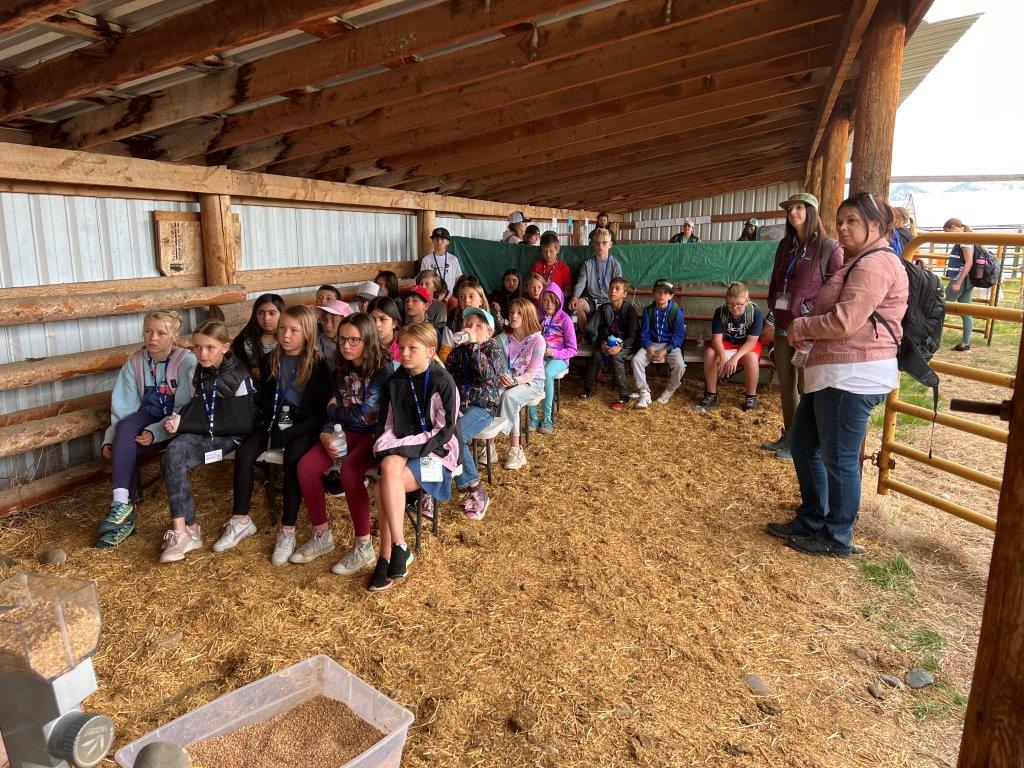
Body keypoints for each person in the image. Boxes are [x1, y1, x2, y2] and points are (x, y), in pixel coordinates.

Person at [767, 192, 909, 558]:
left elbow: (845, 321)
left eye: (852, 222)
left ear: (875, 227)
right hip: (834, 371)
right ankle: (813, 517)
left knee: (839, 456)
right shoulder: (858, 261)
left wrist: (802, 325)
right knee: (803, 442)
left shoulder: (876, 264)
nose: (843, 228)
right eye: (840, 221)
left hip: (853, 373)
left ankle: (837, 535)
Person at [211, 306, 331, 565]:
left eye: (293, 330)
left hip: (304, 427)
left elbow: (320, 414)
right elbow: (266, 401)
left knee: (292, 460)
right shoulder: (270, 360)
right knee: (244, 454)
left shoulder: (319, 366)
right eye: (282, 329)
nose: (286, 335)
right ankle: (240, 520)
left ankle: (287, 531)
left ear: (307, 333)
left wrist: (294, 431)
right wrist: (264, 425)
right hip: (274, 423)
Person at [295, 313, 393, 576]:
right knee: (306, 466)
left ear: (368, 340)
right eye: (342, 340)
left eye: (354, 340)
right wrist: (326, 433)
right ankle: (321, 535)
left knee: (350, 471)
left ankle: (363, 545)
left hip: (374, 436)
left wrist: (336, 410)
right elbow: (335, 410)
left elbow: (368, 414)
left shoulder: (383, 368)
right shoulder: (340, 367)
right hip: (343, 432)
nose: (346, 346)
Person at [95, 311, 197, 548]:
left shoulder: (186, 361)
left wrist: (156, 432)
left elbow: (183, 408)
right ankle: (121, 505)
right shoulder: (136, 362)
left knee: (125, 448)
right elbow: (123, 407)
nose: (153, 337)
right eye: (148, 331)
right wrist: (110, 439)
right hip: (148, 416)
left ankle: (126, 517)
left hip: (174, 424)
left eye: (161, 333)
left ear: (175, 335)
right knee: (125, 429)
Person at [370, 322, 460, 591]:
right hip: (403, 444)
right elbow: (385, 427)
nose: (404, 353)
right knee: (388, 464)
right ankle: (399, 546)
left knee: (381, 487)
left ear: (431, 352)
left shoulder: (442, 381)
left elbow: (444, 432)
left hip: (438, 451)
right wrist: (387, 447)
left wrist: (398, 448)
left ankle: (387, 555)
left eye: (413, 348)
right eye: (402, 347)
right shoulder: (396, 381)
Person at [158, 320, 257, 563]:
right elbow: (197, 407)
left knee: (176, 455)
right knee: (173, 451)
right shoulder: (199, 371)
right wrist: (178, 420)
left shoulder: (240, 378)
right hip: (206, 431)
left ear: (225, 346)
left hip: (230, 436)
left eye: (209, 347)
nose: (202, 353)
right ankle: (185, 529)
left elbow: (241, 423)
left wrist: (188, 423)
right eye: (197, 348)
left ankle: (188, 531)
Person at [762, 192, 844, 459]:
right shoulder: (785, 245)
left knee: (806, 387)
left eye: (799, 208)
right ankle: (790, 436)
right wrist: (773, 307)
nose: (793, 212)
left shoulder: (829, 247)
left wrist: (814, 314)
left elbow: (836, 288)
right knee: (786, 384)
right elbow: (776, 279)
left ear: (812, 212)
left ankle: (807, 443)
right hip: (784, 326)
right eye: (790, 209)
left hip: (810, 330)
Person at [445, 308, 505, 519]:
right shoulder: (459, 350)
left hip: (483, 407)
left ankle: (476, 489)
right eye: (468, 324)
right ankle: (431, 490)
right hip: (458, 406)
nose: (471, 329)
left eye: (478, 326)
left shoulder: (492, 349)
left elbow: (487, 374)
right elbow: (446, 376)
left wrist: (474, 347)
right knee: (438, 431)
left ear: (488, 332)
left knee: (455, 433)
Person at [697, 282, 765, 414]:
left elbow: (752, 342)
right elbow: (716, 339)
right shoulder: (721, 311)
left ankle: (751, 397)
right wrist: (723, 356)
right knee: (710, 354)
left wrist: (734, 358)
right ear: (726, 301)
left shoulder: (755, 312)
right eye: (730, 304)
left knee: (751, 357)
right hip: (727, 341)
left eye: (739, 304)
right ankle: (711, 394)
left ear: (747, 301)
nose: (734, 308)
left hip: (747, 343)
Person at [496, 298, 546, 469]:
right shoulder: (502, 338)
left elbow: (532, 374)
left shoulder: (538, 340)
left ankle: (515, 450)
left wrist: (514, 381)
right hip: (511, 379)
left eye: (519, 313)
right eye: (511, 312)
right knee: (495, 395)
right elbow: (500, 367)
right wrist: (504, 379)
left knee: (510, 397)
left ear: (529, 316)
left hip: (534, 382)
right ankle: (489, 446)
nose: (514, 316)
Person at [581, 277, 638, 410]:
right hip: (608, 344)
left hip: (625, 344)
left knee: (616, 357)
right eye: (611, 288)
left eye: (617, 289)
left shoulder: (629, 310)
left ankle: (624, 396)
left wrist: (620, 347)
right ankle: (587, 389)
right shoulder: (604, 309)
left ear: (624, 293)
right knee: (596, 355)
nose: (613, 291)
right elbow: (598, 329)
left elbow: (633, 336)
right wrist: (602, 344)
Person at [632, 279, 685, 409]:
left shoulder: (676, 311)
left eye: (666, 293)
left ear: (671, 296)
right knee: (636, 360)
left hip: (670, 345)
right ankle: (644, 393)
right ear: (653, 294)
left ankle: (668, 392)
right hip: (652, 344)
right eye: (658, 292)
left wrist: (667, 350)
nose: (661, 295)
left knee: (680, 365)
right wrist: (648, 346)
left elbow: (679, 336)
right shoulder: (648, 311)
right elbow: (644, 333)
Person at [531, 283, 577, 434]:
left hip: (559, 359)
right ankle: (532, 418)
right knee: (531, 373)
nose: (549, 304)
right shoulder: (538, 317)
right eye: (545, 300)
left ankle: (547, 418)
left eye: (552, 300)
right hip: (541, 356)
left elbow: (572, 349)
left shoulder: (565, 319)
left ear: (559, 301)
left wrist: (555, 353)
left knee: (548, 373)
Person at [570, 228, 623, 338]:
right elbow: (581, 283)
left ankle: (602, 337)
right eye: (597, 243)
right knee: (578, 304)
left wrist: (615, 303)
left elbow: (618, 287)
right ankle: (586, 335)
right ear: (593, 244)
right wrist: (574, 297)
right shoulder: (587, 264)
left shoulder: (615, 265)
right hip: (591, 301)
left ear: (610, 244)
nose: (600, 246)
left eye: (604, 243)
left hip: (608, 301)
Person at [231, 293, 284, 382]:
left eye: (272, 313)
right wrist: (251, 370)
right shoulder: (246, 340)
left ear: (281, 314)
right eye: (260, 313)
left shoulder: (287, 337)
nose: (266, 318)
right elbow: (237, 367)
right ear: (255, 315)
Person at [943, 217, 975, 351]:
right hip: (968, 280)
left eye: (948, 233)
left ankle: (929, 336)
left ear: (953, 228)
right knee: (965, 310)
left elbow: (969, 262)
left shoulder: (964, 240)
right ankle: (965, 343)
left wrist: (958, 282)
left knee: (940, 307)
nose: (948, 237)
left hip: (960, 279)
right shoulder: (967, 238)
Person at [313, 299, 353, 369]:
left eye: (335, 320)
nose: (328, 325)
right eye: (325, 319)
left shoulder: (355, 344)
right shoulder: (318, 342)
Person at [530, 231, 573, 296]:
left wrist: (555, 294)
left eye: (551, 251)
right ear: (541, 250)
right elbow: (532, 287)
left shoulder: (564, 267)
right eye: (545, 252)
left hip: (557, 301)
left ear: (558, 250)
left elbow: (569, 291)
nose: (548, 255)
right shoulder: (537, 266)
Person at [368, 295, 402, 364]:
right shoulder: (365, 345)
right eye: (372, 319)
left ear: (394, 323)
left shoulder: (403, 348)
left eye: (382, 319)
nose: (376, 324)